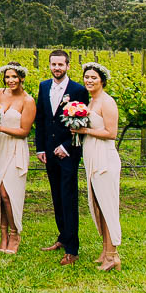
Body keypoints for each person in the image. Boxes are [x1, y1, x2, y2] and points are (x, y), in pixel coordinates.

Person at [35, 49, 88, 265]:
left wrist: (66, 147)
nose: (57, 68)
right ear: (49, 65)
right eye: (53, 64)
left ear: (68, 66)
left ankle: (73, 249)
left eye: (61, 64)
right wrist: (40, 148)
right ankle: (62, 238)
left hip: (68, 153)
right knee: (56, 196)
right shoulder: (44, 86)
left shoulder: (78, 90)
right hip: (49, 152)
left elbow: (83, 121)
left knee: (68, 198)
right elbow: (41, 118)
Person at [72, 62, 122, 271]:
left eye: (93, 77)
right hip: (92, 155)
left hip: (104, 158)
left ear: (102, 80)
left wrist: (85, 132)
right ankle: (105, 250)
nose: (89, 81)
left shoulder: (106, 102)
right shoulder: (91, 102)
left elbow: (111, 133)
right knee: (98, 205)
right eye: (86, 77)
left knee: (107, 206)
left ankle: (113, 256)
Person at [0, 62, 35, 254]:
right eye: (7, 77)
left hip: (16, 149)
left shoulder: (28, 101)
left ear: (21, 78)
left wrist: (0, 128)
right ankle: (3, 235)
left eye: (14, 77)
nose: (10, 80)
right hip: (0, 149)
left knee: (8, 193)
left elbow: (24, 131)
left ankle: (15, 233)